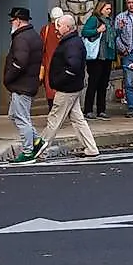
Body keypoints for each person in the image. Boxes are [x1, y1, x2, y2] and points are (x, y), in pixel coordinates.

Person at [38, 11, 99, 159]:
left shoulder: (72, 44)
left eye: (59, 25)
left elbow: (73, 67)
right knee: (77, 119)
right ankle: (91, 148)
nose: (56, 28)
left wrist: (59, 81)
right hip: (72, 87)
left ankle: (39, 150)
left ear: (67, 27)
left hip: (67, 89)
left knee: (54, 119)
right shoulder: (72, 41)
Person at [2, 6, 44, 160]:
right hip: (27, 83)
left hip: (22, 85)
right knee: (14, 115)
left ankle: (28, 151)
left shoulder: (21, 38)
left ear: (18, 21)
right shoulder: (32, 35)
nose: (11, 23)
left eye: (12, 20)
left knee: (21, 119)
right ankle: (37, 141)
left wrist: (8, 78)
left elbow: (19, 62)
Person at [82, 0, 116, 118]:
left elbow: (112, 36)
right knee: (93, 83)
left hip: (107, 56)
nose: (109, 11)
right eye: (107, 9)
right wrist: (97, 30)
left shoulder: (110, 21)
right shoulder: (94, 19)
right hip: (96, 57)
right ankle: (88, 109)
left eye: (110, 9)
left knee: (103, 84)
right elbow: (84, 32)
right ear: (100, 9)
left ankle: (101, 110)